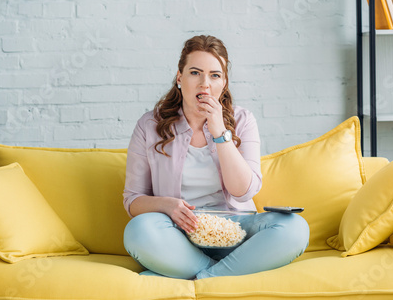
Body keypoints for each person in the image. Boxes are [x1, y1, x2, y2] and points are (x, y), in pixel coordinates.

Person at [123, 35, 309, 280]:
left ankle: (204, 278)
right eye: (195, 73)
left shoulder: (243, 121)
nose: (204, 84)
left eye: (214, 75)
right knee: (138, 231)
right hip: (179, 234)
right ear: (179, 78)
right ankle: (231, 272)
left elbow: (243, 192)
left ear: (224, 82)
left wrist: (220, 132)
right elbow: (133, 200)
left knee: (295, 228)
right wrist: (167, 205)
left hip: (237, 231)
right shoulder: (150, 125)